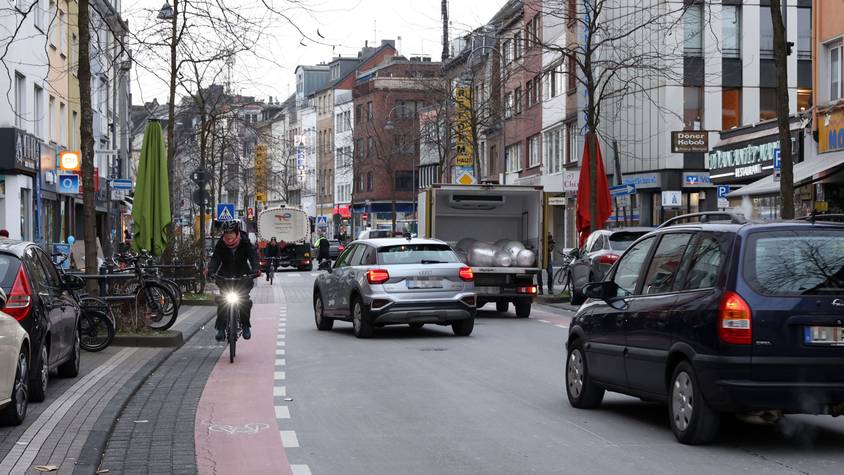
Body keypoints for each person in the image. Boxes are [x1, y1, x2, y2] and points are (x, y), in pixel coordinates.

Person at [207, 220, 260, 342]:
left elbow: (253, 257)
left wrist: (256, 269)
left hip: (243, 277)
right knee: (223, 301)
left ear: (236, 233)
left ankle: (245, 325)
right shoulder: (221, 244)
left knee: (244, 301)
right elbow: (215, 259)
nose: (229, 238)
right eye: (226, 235)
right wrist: (210, 271)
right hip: (225, 277)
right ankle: (221, 328)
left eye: (231, 235)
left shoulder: (245, 243)